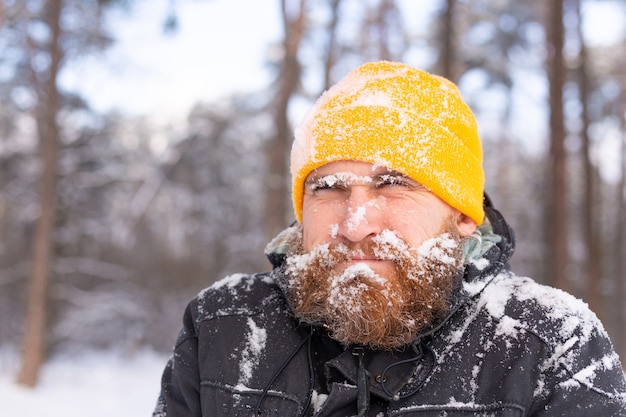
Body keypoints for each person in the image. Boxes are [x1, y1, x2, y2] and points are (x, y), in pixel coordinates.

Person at [153, 61, 626, 417]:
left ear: (462, 214)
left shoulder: (547, 343)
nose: (355, 224)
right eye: (329, 188)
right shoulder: (222, 324)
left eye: (394, 184)